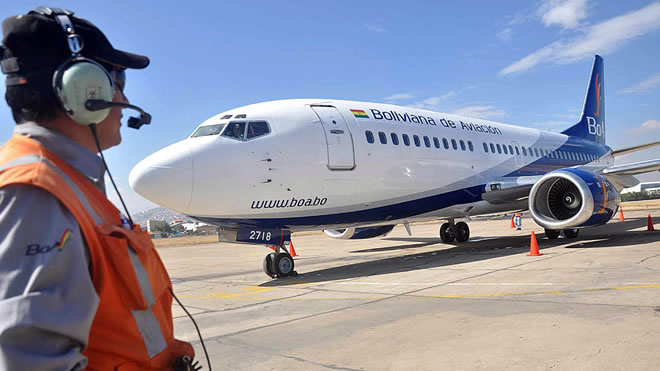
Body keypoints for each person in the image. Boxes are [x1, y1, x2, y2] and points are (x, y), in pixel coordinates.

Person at [0, 7, 197, 370]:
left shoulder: (68, 182)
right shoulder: (34, 193)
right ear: (83, 91)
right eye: (117, 81)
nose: (122, 99)